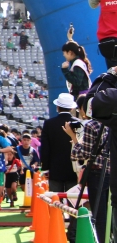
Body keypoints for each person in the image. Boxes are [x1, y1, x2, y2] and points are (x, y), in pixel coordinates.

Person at [67, 95, 111, 243]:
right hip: (114, 172)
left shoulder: (92, 125)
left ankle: (102, 239)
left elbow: (82, 154)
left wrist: (73, 137)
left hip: (98, 172)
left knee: (100, 214)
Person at [40, 93, 78, 194]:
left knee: (55, 201)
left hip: (55, 168)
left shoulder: (49, 124)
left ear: (57, 107)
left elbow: (45, 148)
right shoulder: (78, 123)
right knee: (73, 202)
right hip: (74, 168)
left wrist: (45, 168)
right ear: (71, 108)